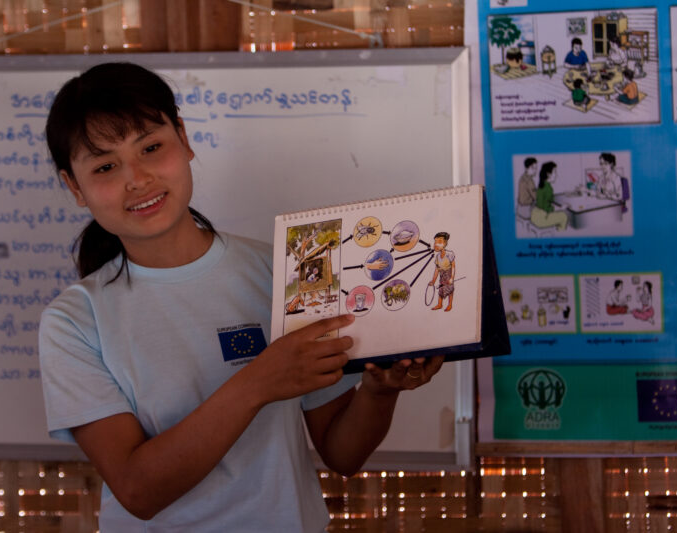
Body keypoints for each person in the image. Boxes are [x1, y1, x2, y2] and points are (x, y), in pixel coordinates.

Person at [38, 62, 444, 531]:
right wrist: (259, 382)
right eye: (106, 166)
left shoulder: (286, 271)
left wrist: (378, 392)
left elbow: (342, 453)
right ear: (75, 186)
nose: (138, 178)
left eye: (151, 147)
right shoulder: (73, 321)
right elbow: (138, 490)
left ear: (183, 139)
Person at [530, 162, 568, 231]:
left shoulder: (542, 185)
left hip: (534, 215)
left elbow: (544, 203)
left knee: (557, 214)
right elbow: (545, 208)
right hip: (541, 219)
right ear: (548, 174)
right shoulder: (548, 188)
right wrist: (561, 208)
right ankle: (560, 233)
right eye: (555, 172)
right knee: (563, 216)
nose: (556, 175)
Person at [428, 232, 456, 312]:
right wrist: (433, 281)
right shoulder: (437, 257)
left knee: (450, 289)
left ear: (445, 243)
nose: (436, 244)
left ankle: (450, 304)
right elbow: (437, 269)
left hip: (449, 274)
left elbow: (453, 266)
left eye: (439, 242)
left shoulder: (449, 254)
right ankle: (440, 304)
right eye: (435, 241)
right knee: (441, 290)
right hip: (442, 275)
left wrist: (452, 278)